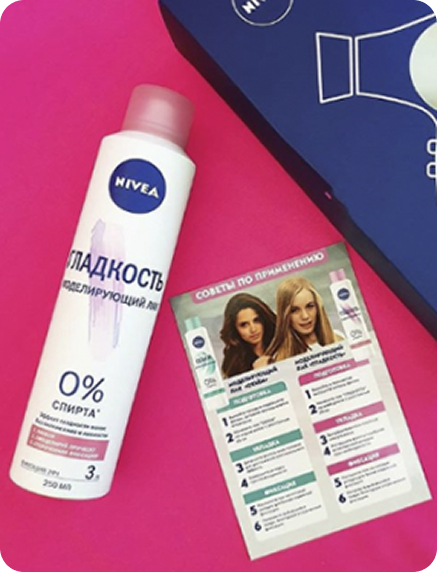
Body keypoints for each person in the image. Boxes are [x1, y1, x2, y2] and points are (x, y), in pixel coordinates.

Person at [262, 276, 343, 363]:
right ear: (284, 315)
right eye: (294, 310)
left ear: (318, 307)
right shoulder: (278, 360)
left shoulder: (339, 338)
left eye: (310, 306)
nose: (305, 316)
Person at [220, 293, 276, 378]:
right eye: (244, 325)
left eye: (256, 320)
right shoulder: (233, 366)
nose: (253, 329)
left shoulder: (283, 345)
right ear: (234, 329)